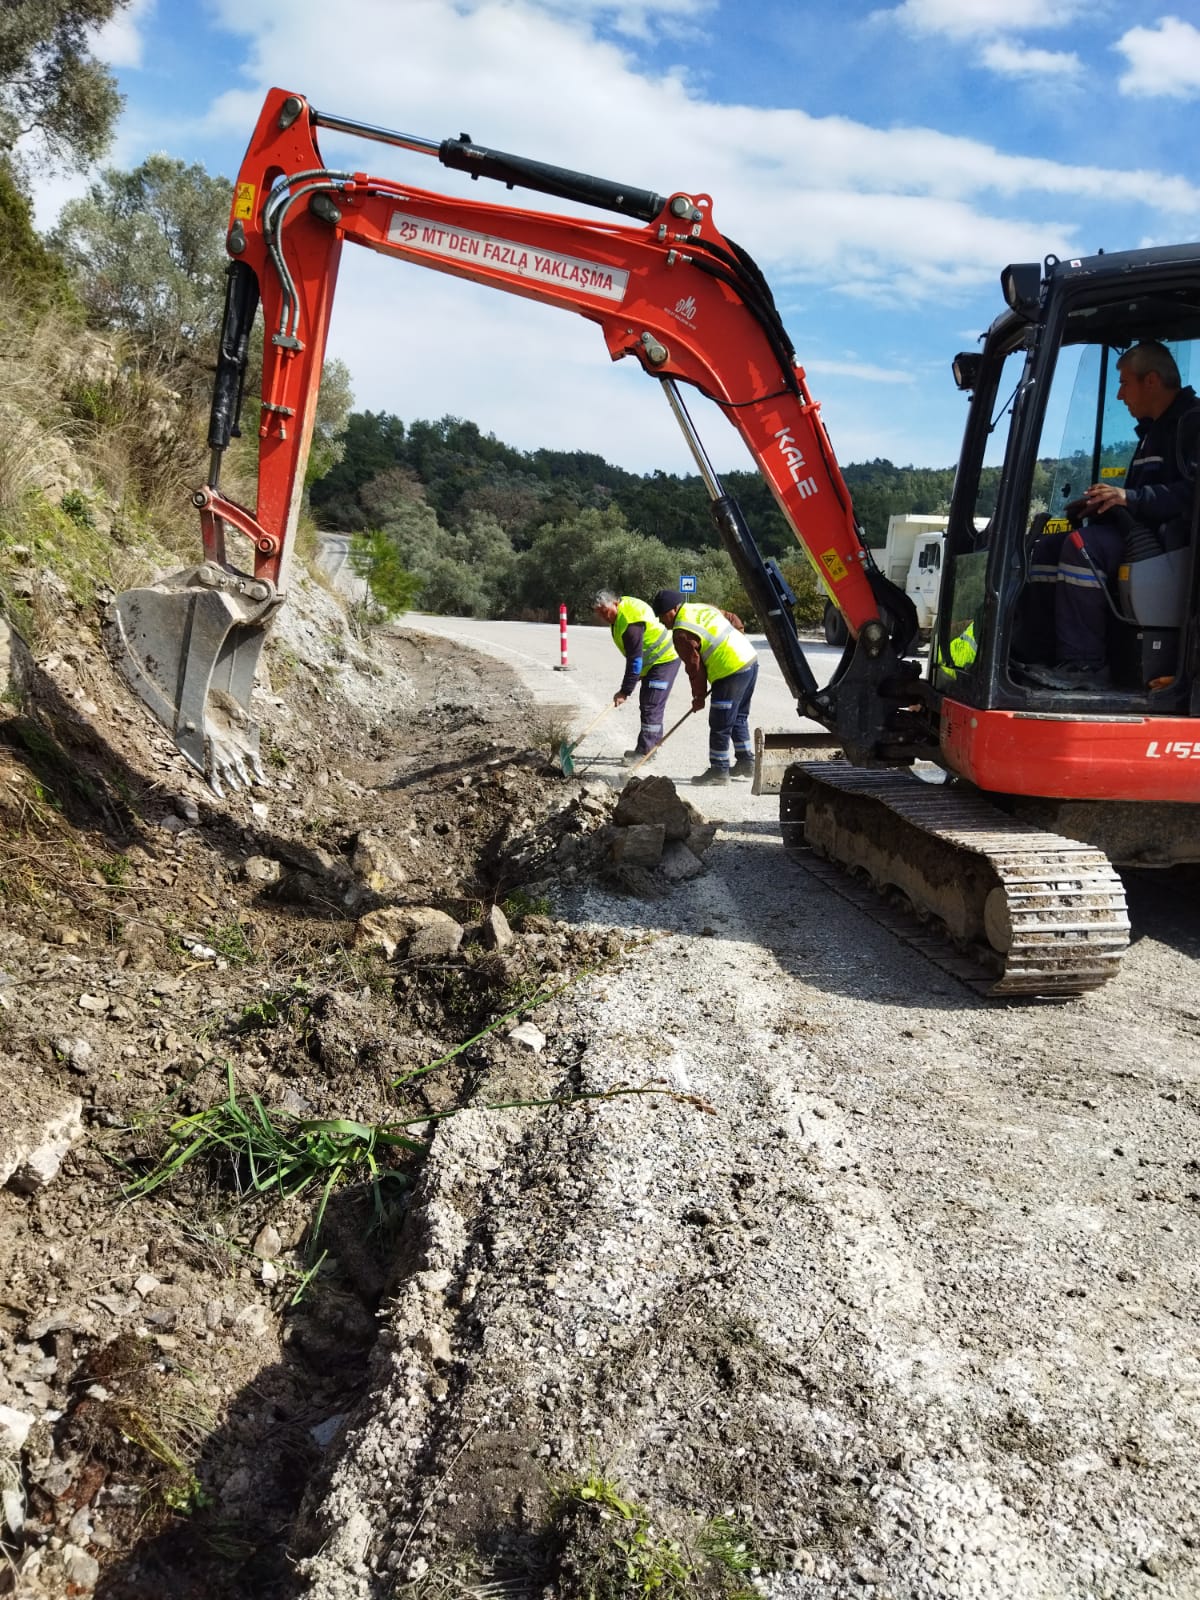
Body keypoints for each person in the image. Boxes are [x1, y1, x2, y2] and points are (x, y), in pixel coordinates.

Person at [1023, 341, 1200, 689]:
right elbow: (1138, 502)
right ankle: (1041, 656)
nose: (1119, 396)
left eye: (1124, 383)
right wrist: (1101, 507)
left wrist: (1129, 497)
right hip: (1144, 537)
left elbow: (1190, 495)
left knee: (1080, 547)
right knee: (1046, 549)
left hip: (1174, 546)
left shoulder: (1191, 423)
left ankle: (1086, 667)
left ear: (1151, 381)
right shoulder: (1154, 431)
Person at [651, 589, 758, 785]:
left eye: (662, 615)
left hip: (730, 671)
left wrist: (698, 697)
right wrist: (738, 641)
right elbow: (733, 618)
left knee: (720, 722)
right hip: (749, 661)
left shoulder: (681, 633)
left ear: (674, 609)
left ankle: (719, 770)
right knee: (738, 717)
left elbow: (695, 668)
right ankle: (746, 762)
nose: (661, 621)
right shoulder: (700, 608)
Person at [591, 590, 681, 763]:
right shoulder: (622, 610)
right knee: (648, 703)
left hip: (665, 659)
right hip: (653, 662)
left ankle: (645, 752)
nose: (604, 616)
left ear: (615, 603)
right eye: (600, 613)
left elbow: (634, 660)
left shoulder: (630, 622)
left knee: (651, 705)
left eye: (605, 611)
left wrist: (625, 691)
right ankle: (647, 747)